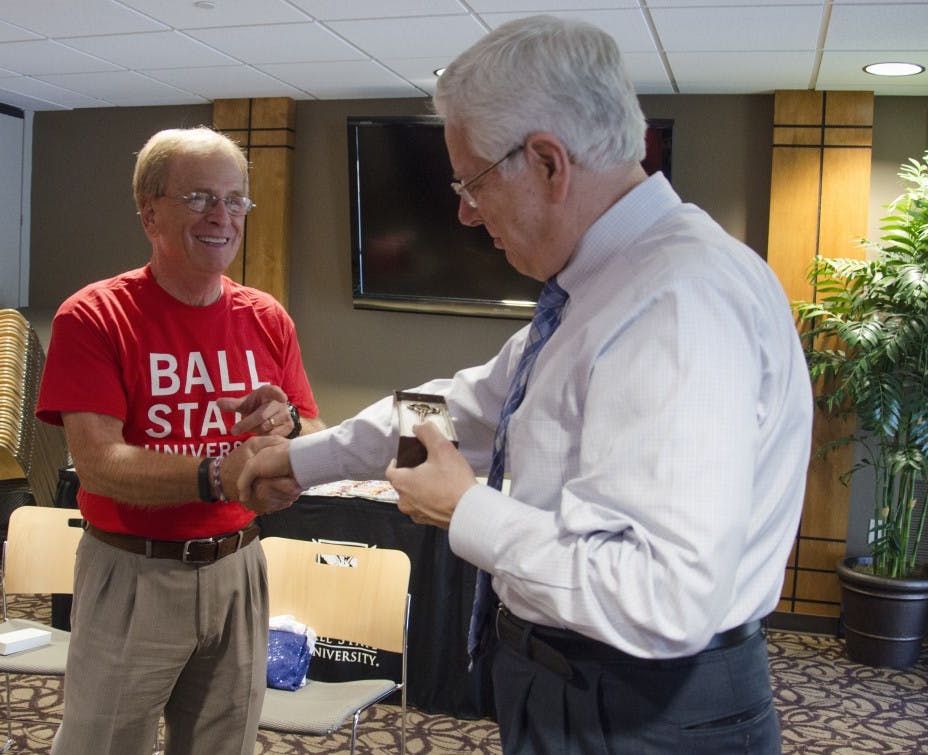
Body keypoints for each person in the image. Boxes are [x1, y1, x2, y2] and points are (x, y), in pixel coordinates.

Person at [237, 15, 813, 755]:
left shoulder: (675, 302)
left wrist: (466, 510)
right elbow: (451, 411)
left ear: (547, 162)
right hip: (581, 688)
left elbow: (662, 597)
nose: (464, 212)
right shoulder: (602, 288)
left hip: (642, 710)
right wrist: (297, 459)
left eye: (472, 181)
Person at [36, 126, 323, 755]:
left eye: (234, 200)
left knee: (225, 745)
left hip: (239, 564)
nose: (222, 216)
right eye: (198, 198)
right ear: (150, 214)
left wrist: (289, 432)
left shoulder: (266, 317)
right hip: (134, 571)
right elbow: (100, 466)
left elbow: (312, 426)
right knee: (103, 745)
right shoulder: (93, 316)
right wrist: (220, 473)